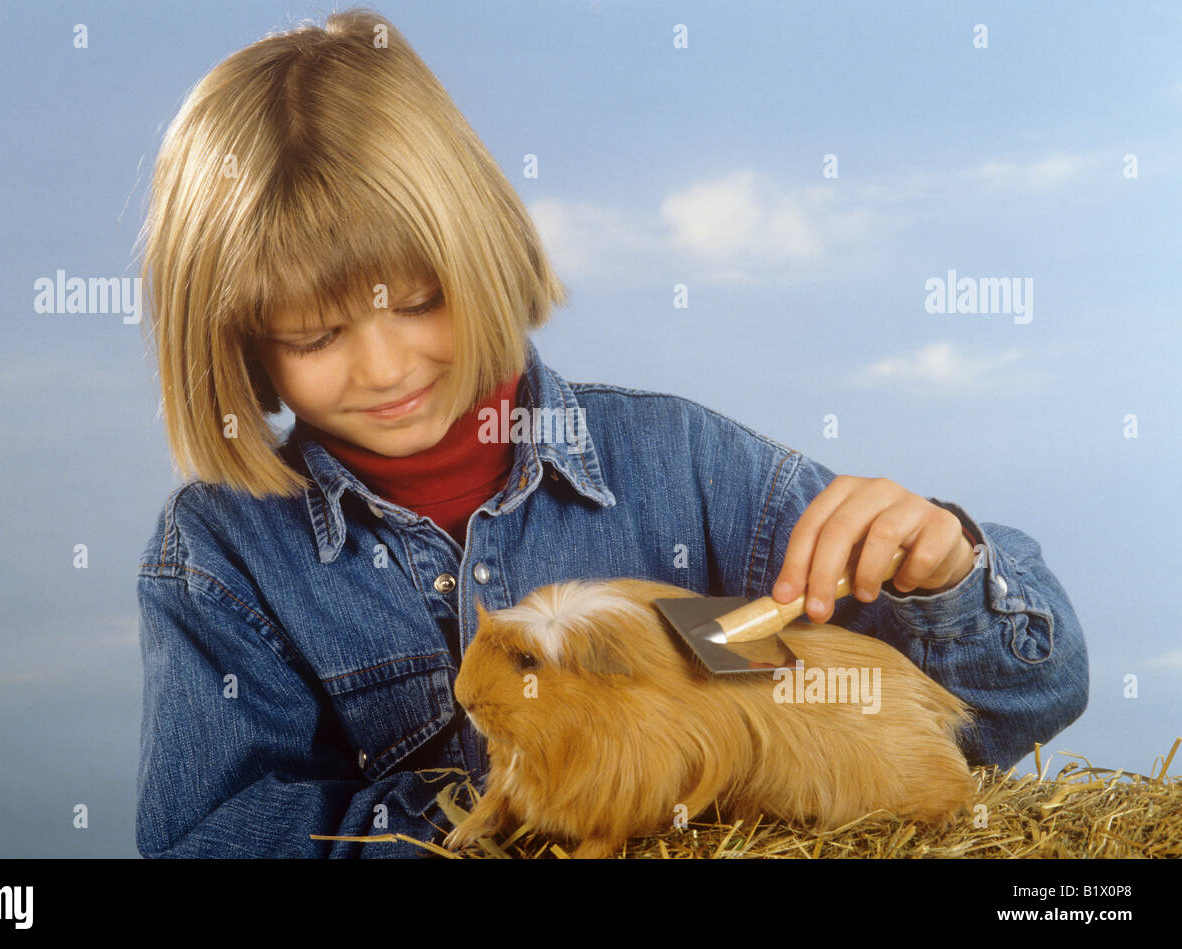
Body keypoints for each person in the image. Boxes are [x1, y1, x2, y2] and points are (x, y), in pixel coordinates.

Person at [134, 9, 1088, 858]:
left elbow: (1011, 713)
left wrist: (949, 574)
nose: (384, 367)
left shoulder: (691, 468)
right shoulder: (222, 555)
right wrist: (530, 809)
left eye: (421, 300)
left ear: (484, 251)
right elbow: (210, 838)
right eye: (315, 334)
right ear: (241, 345)